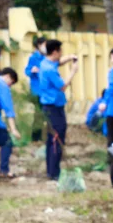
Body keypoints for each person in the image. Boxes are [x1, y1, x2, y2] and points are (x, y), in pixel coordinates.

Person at [38, 41, 78, 182]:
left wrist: (69, 57)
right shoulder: (49, 69)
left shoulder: (45, 63)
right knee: (57, 138)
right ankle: (54, 172)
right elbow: (62, 86)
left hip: (51, 107)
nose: (61, 54)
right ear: (54, 52)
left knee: (52, 139)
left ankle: (51, 170)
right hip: (53, 107)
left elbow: (58, 62)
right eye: (60, 51)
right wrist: (73, 71)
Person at [25, 36, 47, 142]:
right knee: (38, 113)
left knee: (43, 114)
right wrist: (32, 70)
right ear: (39, 45)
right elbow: (27, 71)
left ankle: (41, 136)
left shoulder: (47, 57)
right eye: (44, 44)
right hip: (37, 90)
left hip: (45, 90)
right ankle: (35, 137)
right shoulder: (33, 57)